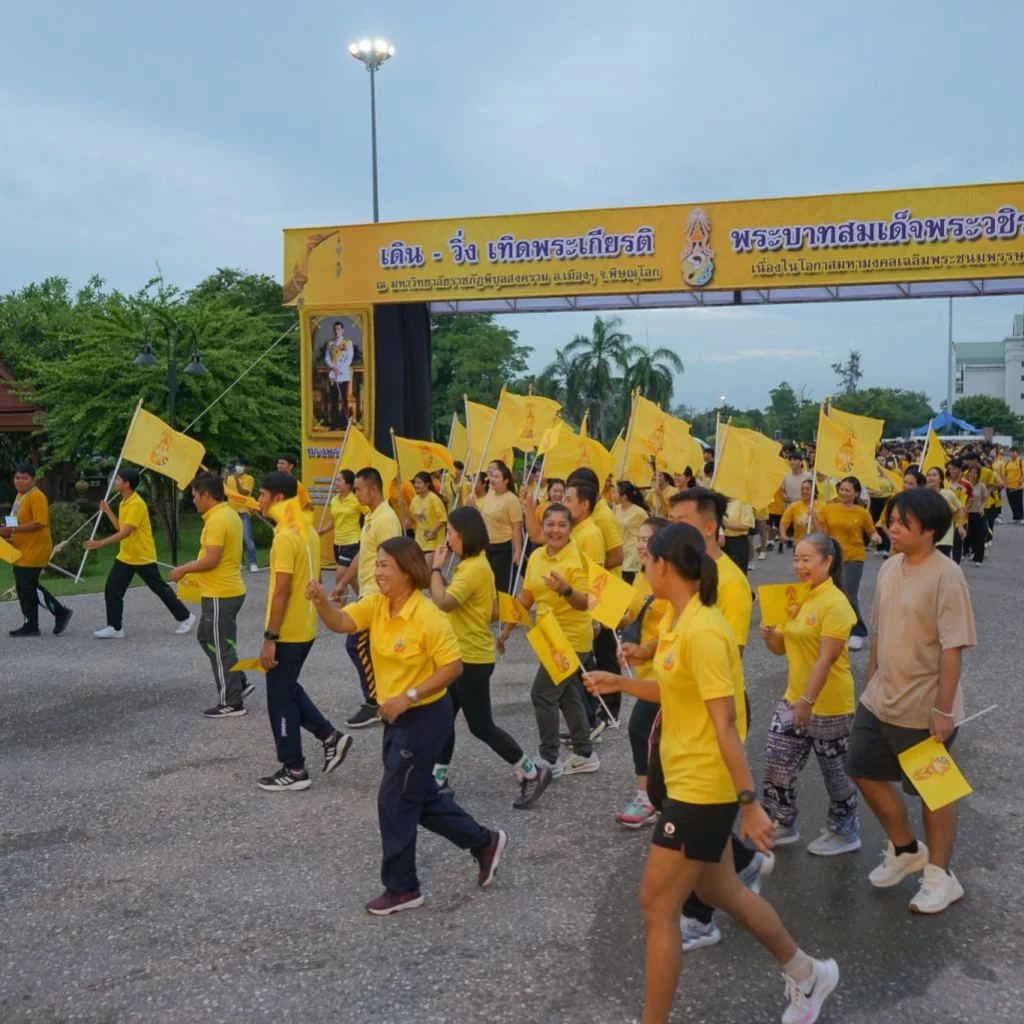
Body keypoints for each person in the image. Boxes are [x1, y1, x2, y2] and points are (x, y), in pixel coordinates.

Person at [585, 523, 838, 1024]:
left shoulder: (704, 630)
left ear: (664, 565)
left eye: (646, 556)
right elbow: (678, 693)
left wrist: (748, 803)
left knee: (657, 905)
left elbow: (723, 720)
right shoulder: (680, 621)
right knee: (721, 891)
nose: (642, 564)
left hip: (703, 787)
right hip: (686, 779)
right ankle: (808, 973)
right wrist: (620, 682)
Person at [306, 536, 507, 915]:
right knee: (420, 796)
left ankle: (403, 888)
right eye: (377, 564)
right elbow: (343, 622)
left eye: (383, 565)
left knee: (394, 800)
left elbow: (453, 668)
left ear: (405, 570)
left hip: (426, 717)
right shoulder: (378, 604)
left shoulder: (429, 616)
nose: (376, 571)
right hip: (395, 717)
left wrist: (408, 696)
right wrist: (320, 602)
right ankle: (484, 842)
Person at [847, 488, 976, 914]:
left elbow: (952, 647)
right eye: (890, 520)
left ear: (930, 531)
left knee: (933, 790)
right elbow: (880, 630)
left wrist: (943, 710)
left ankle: (940, 876)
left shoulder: (946, 574)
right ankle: (905, 848)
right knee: (862, 769)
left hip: (924, 703)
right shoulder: (889, 567)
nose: (891, 528)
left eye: (902, 522)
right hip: (880, 696)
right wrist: (869, 686)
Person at [427, 507, 552, 808]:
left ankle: (531, 772)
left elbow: (442, 602)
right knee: (444, 717)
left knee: (480, 725)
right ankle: (438, 778)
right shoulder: (474, 564)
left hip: (470, 659)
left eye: (452, 534)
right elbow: (492, 608)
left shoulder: (472, 569)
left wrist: (434, 569)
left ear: (465, 534)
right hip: (461, 654)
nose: (449, 540)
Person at [759, 534, 860, 854]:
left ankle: (845, 831)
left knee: (836, 775)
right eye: (796, 559)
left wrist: (808, 701)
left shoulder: (836, 603)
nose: (799, 566)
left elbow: (826, 658)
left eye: (807, 560)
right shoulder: (795, 596)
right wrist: (769, 634)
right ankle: (781, 822)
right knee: (777, 760)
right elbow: (780, 649)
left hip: (829, 705)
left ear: (827, 562)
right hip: (794, 698)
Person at [255, 471, 351, 791]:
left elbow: (281, 591)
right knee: (287, 688)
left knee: (279, 699)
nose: (259, 500)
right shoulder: (305, 528)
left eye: (263, 495)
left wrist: (270, 638)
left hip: (289, 631)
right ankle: (329, 736)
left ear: (279, 498)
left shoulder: (285, 536)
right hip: (305, 626)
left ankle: (294, 769)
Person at [497, 503, 599, 777]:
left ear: (570, 529)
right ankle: (585, 753)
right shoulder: (539, 556)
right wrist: (507, 628)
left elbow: (586, 603)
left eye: (561, 525)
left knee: (542, 694)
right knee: (567, 695)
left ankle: (549, 758)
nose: (555, 530)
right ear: (542, 528)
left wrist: (565, 589)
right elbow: (527, 595)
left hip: (571, 639)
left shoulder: (576, 560)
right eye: (550, 524)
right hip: (548, 636)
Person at [169, 474, 252, 718]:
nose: (193, 501)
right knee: (206, 637)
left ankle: (231, 702)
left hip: (221, 594)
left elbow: (211, 559)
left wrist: (184, 568)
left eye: (195, 497)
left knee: (220, 645)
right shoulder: (227, 514)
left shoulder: (218, 520)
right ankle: (238, 681)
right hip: (223, 591)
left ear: (206, 495)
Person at [85, 468, 195, 639]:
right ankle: (115, 627)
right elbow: (121, 527)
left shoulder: (136, 504)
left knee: (159, 588)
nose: (115, 481)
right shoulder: (124, 502)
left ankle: (186, 617)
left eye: (118, 479)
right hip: (126, 556)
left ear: (127, 484)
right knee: (112, 589)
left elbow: (126, 532)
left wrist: (99, 543)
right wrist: (107, 511)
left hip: (142, 556)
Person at [332, 467, 404, 728]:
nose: (357, 493)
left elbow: (394, 559)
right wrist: (341, 583)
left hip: (377, 595)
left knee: (357, 645)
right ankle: (384, 695)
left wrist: (391, 596)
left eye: (360, 489)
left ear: (373, 489)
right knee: (373, 648)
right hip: (367, 592)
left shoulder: (386, 519)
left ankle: (374, 701)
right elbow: (364, 555)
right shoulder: (373, 517)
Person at [615, 516, 671, 827]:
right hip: (643, 667)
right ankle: (664, 793)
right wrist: (620, 627)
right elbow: (635, 614)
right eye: (638, 537)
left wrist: (646, 649)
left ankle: (646, 796)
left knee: (640, 728)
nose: (639, 543)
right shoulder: (642, 574)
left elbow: (672, 624)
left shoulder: (671, 576)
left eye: (646, 539)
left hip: (664, 670)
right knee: (658, 735)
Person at [2, 463, 72, 637]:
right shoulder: (20, 496)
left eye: (24, 478)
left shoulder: (37, 496)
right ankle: (30, 624)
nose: (20, 481)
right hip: (21, 548)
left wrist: (12, 530)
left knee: (29, 586)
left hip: (35, 548)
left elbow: (39, 523)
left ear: (33, 480)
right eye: (17, 477)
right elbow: (14, 520)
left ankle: (60, 612)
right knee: (22, 587)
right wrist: (7, 531)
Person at [812, 476, 881, 651]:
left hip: (854, 556)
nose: (843, 493)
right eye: (841, 489)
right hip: (833, 556)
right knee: (832, 593)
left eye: (848, 490)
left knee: (849, 594)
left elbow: (871, 531)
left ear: (856, 493)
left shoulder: (862, 512)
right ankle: (837, 628)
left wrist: (875, 537)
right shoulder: (829, 509)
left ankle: (858, 631)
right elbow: (822, 534)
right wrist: (814, 517)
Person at [474, 460, 523, 595]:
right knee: (488, 582)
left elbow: (516, 528)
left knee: (502, 585)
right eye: (492, 476)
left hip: (505, 547)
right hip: (488, 545)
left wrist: (518, 552)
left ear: (506, 480)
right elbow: (485, 517)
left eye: (497, 477)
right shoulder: (489, 495)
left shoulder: (511, 500)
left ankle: (505, 613)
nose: (493, 479)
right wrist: (474, 508)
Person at [317, 469, 362, 590]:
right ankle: (364, 599)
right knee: (350, 578)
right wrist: (323, 531)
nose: (335, 483)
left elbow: (368, 515)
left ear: (348, 484)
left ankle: (339, 608)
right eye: (335, 480)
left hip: (352, 542)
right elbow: (334, 520)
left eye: (339, 480)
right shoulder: (334, 500)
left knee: (340, 577)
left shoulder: (357, 500)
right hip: (338, 543)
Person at [224, 458, 258, 572]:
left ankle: (253, 563)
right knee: (236, 539)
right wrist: (226, 475)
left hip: (244, 512)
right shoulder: (229, 478)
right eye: (238, 465)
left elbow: (243, 492)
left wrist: (236, 479)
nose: (239, 467)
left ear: (246, 467)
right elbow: (222, 488)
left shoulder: (249, 479)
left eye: (242, 465)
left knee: (247, 537)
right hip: (232, 512)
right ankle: (241, 563)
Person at [924, 467, 964, 560]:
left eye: (934, 475)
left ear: (941, 479)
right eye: (928, 475)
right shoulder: (923, 494)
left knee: (942, 561)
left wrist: (960, 525)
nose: (931, 478)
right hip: (927, 535)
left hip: (944, 535)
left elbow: (960, 507)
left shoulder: (948, 494)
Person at [408, 471, 448, 562]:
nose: (416, 485)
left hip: (433, 542)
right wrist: (402, 507)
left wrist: (432, 531)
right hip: (419, 541)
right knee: (422, 572)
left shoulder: (433, 498)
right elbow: (412, 518)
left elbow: (443, 518)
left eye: (419, 483)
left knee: (428, 571)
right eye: (415, 483)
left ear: (427, 484)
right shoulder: (414, 500)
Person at [615, 480, 649, 584]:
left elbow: (649, 529)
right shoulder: (616, 508)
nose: (613, 495)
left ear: (624, 497)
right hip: (621, 552)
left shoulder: (639, 512)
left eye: (615, 492)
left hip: (633, 554)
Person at [324, 321, 354, 430]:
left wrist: (339, 369)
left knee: (344, 400)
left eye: (339, 329)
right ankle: (335, 423)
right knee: (334, 400)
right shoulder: (330, 344)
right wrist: (332, 367)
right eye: (335, 329)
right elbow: (326, 358)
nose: (337, 331)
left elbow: (349, 358)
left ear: (342, 330)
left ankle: (345, 423)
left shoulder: (347, 343)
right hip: (333, 375)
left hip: (343, 375)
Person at [778, 479, 823, 547]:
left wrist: (814, 517)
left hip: (816, 546)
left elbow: (822, 534)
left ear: (814, 492)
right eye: (802, 489)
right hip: (799, 546)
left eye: (808, 489)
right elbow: (783, 523)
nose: (804, 491)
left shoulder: (822, 508)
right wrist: (783, 535)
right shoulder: (794, 506)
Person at [722, 498, 755, 574]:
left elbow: (746, 526)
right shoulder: (720, 501)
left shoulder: (743, 503)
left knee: (737, 572)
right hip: (721, 541)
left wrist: (726, 525)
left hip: (737, 542)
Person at [964, 466, 989, 565]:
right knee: (970, 535)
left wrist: (982, 507)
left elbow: (984, 499)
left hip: (978, 513)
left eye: (975, 473)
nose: (972, 475)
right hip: (967, 512)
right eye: (971, 472)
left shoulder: (981, 485)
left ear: (978, 475)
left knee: (979, 536)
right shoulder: (965, 485)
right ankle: (972, 552)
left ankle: (979, 558)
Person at [1004, 446, 1023, 523]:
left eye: (1014, 452)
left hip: (1018, 486)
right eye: (1011, 452)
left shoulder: (1021, 462)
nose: (1012, 453)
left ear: (1018, 453)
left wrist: (1019, 484)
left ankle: (1021, 518)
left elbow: (1023, 474)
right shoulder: (1008, 462)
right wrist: (1005, 483)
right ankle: (1016, 518)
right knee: (1012, 503)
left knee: (1018, 503)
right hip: (1009, 486)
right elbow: (1005, 474)